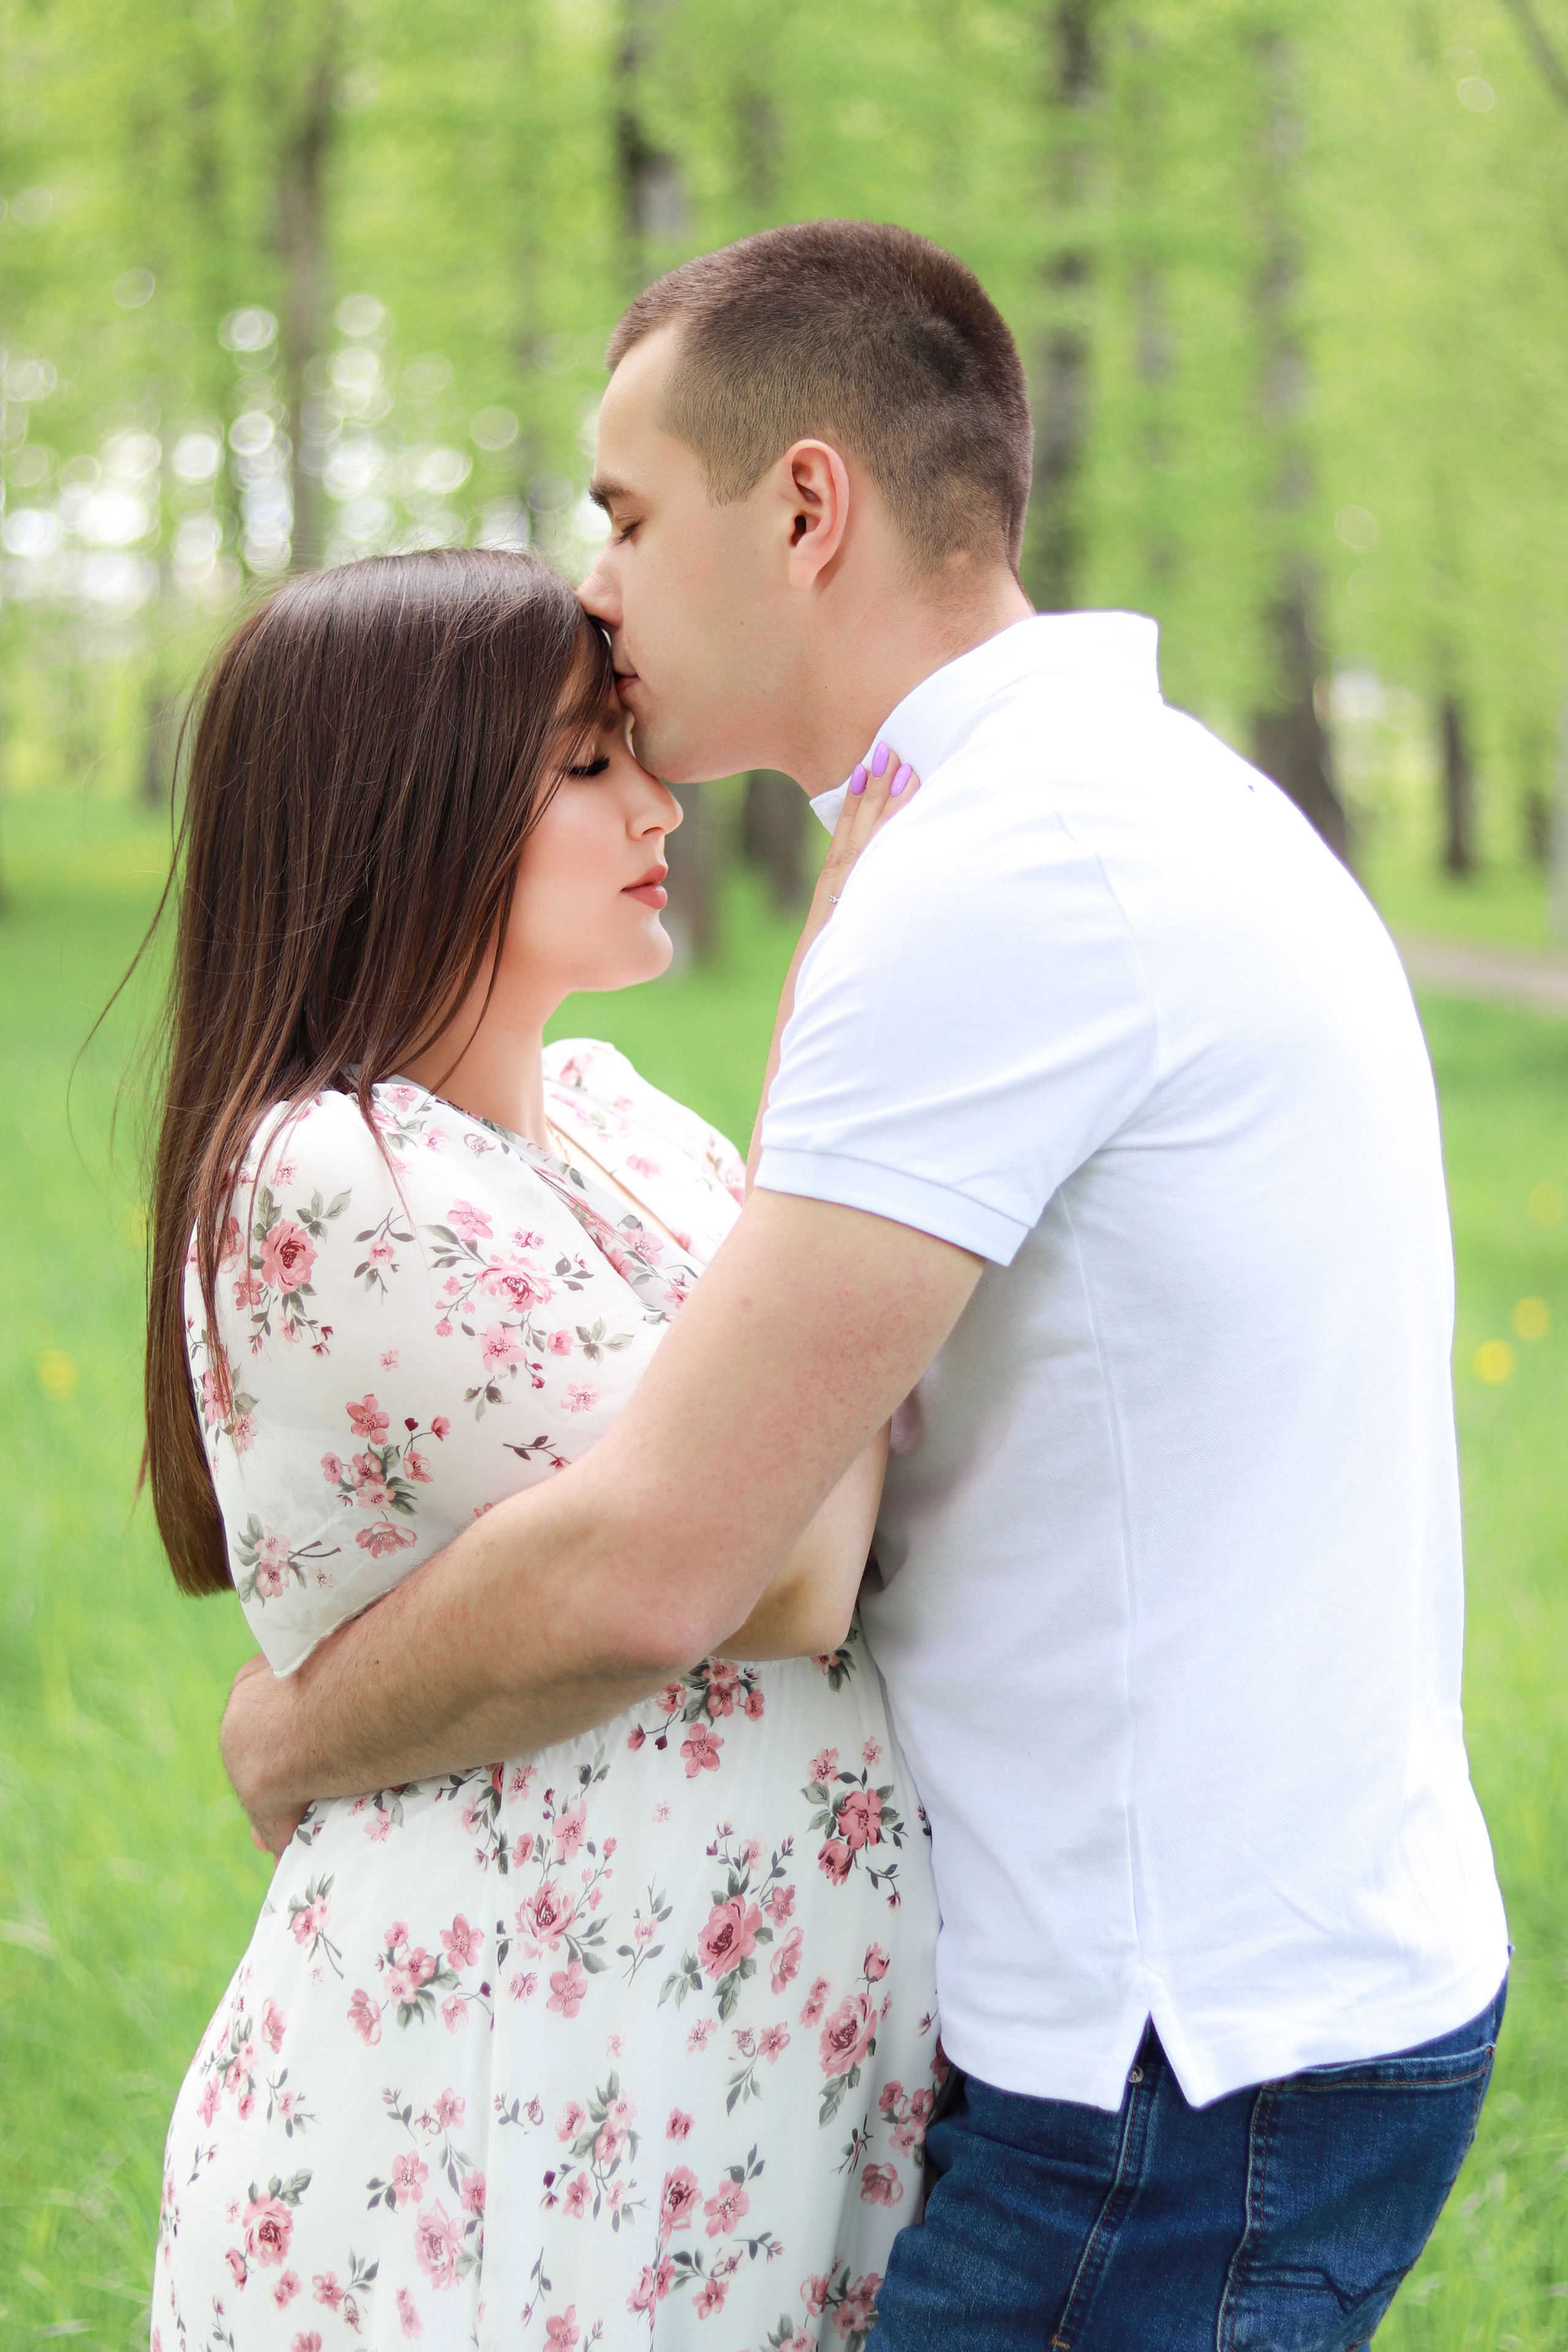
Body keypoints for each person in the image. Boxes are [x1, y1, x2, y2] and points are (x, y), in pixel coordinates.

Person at [220, 222, 1510, 2350]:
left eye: (627, 515)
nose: (599, 588)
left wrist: (297, 1730)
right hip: (1230, 1996)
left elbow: (691, 1560)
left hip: (1170, 2065)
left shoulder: (1006, 878)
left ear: (805, 507)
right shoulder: (1075, 817)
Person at [146, 546, 941, 2350]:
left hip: (695, 2082)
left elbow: (824, 1415)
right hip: (496, 2124)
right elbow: (785, 1558)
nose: (660, 801)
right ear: (398, 811)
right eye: (585, 765)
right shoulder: (334, 1179)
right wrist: (837, 1027)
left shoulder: (607, 1114)